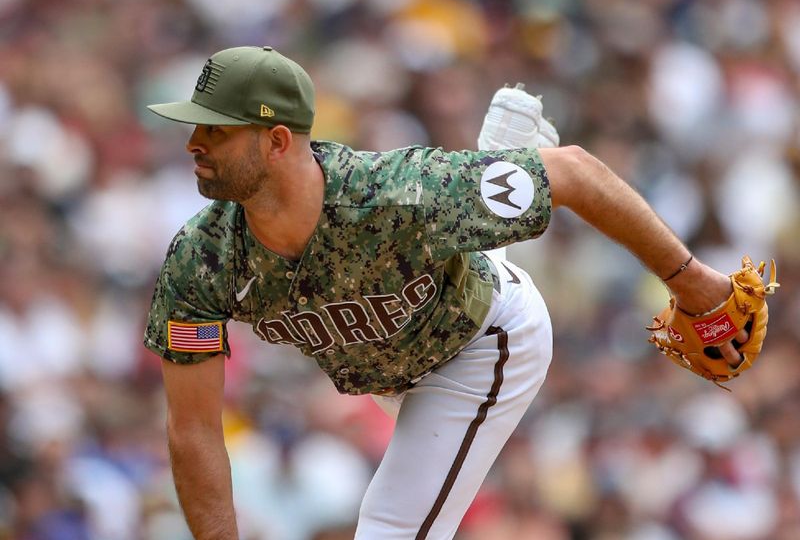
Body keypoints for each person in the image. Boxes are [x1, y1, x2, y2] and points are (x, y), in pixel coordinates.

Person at [144, 46, 742, 540]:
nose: (194, 141)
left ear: (277, 142)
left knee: (390, 526)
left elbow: (577, 172)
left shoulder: (392, 193)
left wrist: (696, 284)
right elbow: (193, 429)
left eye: (216, 129)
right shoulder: (202, 260)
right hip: (393, 362)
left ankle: (506, 163)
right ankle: (505, 153)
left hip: (483, 343)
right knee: (451, 246)